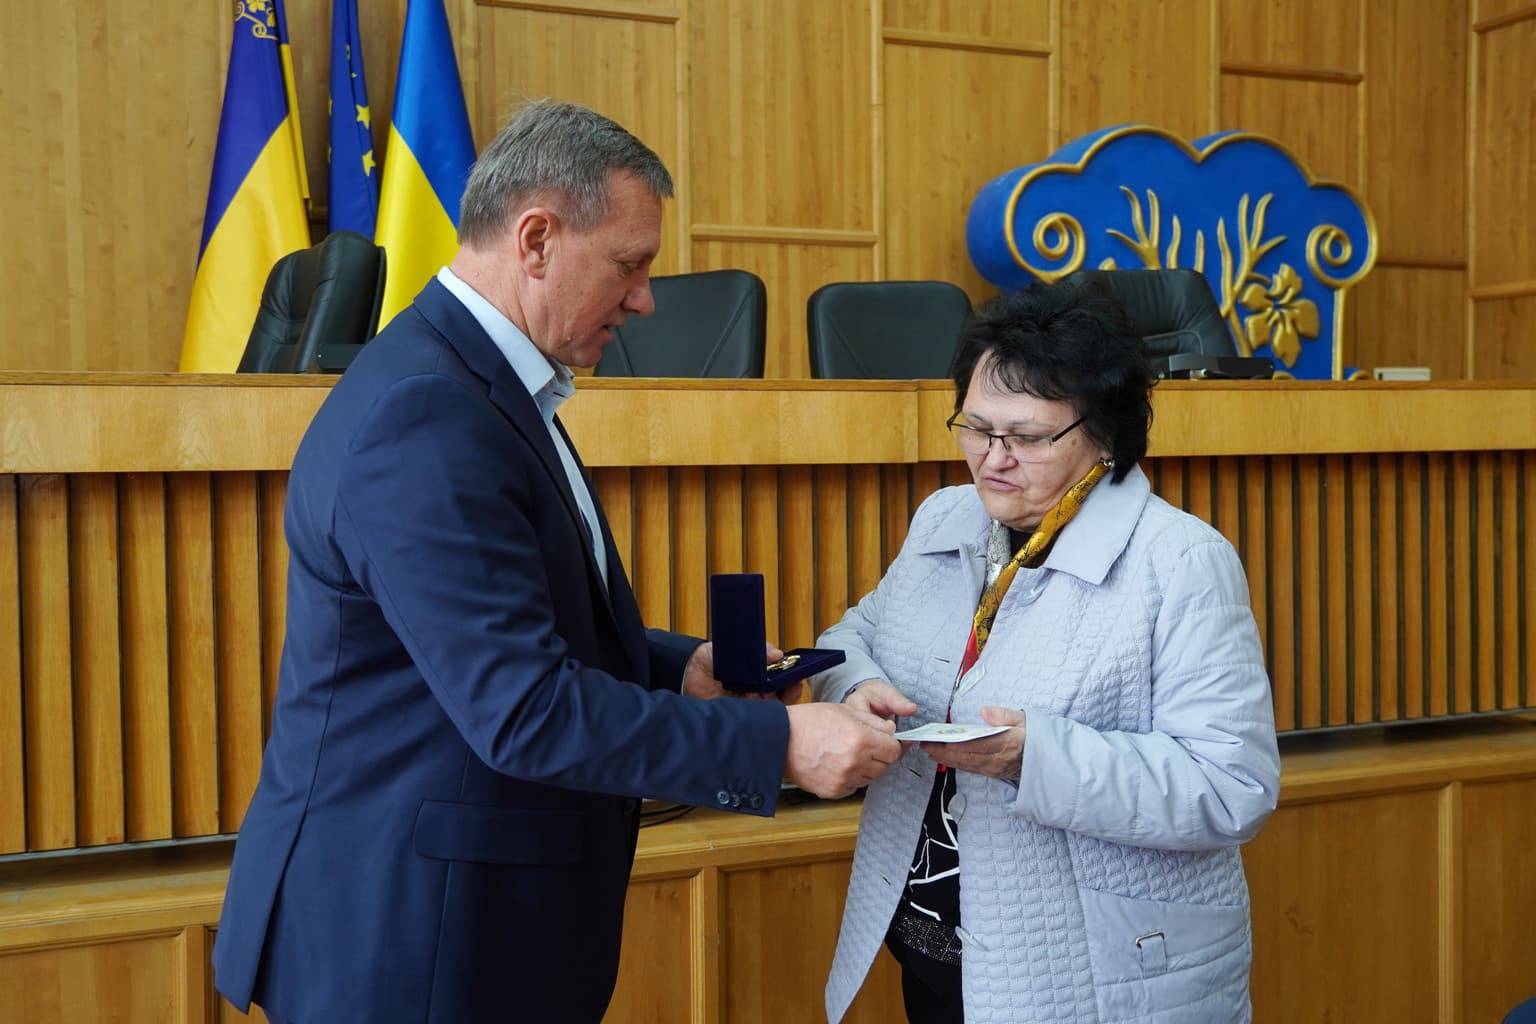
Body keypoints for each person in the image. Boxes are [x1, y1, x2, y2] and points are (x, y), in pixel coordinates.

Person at [213, 101, 901, 1024]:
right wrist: (776, 746)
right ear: (536, 239)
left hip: (456, 918)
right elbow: (524, 708)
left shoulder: (481, 384)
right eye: (630, 264)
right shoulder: (425, 416)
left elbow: (511, 627)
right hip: (414, 941)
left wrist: (678, 668)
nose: (646, 299)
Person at [811, 283, 1281, 1023]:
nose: (992, 459)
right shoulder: (946, 518)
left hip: (1090, 979)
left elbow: (1231, 788)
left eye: (1026, 438)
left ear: (1104, 433)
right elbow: (849, 638)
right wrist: (854, 687)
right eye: (975, 428)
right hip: (933, 950)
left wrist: (1032, 759)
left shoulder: (1180, 561)